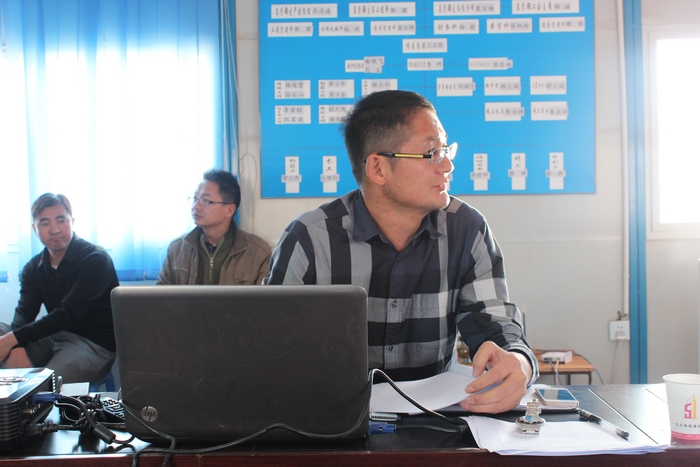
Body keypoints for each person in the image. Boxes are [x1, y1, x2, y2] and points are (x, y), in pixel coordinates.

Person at [265, 90, 538, 414]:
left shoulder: (466, 230)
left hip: (431, 421)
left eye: (446, 149)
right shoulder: (310, 240)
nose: (447, 165)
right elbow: (270, 352)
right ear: (378, 169)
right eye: (432, 153)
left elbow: (495, 323)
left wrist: (520, 362)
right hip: (328, 420)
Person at [0, 193, 118, 384]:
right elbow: (25, 312)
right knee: (2, 332)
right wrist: (17, 346)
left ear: (72, 222)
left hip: (92, 343)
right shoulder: (34, 267)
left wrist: (12, 339)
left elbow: (68, 313)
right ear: (35, 229)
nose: (54, 229)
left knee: (45, 385)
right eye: (45, 223)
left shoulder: (95, 259)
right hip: (53, 334)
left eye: (61, 220)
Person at [156, 169, 271, 285]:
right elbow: (161, 293)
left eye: (206, 200)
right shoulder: (177, 248)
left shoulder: (258, 251)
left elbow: (265, 296)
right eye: (195, 198)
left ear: (229, 210)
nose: (196, 206)